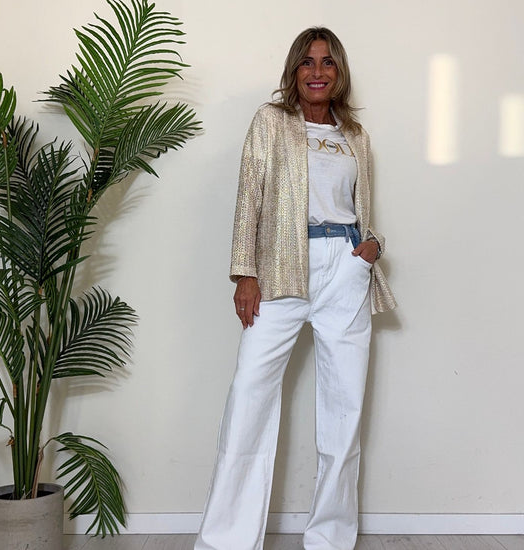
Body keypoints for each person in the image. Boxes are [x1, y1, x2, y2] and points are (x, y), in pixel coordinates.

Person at [194, 27, 396, 550]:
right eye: (307, 62)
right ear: (294, 70)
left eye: (328, 62)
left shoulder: (355, 136)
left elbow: (362, 209)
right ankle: (226, 541)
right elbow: (249, 197)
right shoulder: (271, 121)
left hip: (345, 269)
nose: (317, 71)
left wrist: (370, 248)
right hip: (282, 268)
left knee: (344, 411)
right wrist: (245, 272)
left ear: (339, 72)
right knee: (249, 399)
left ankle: (330, 539)